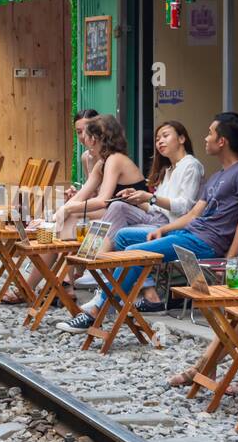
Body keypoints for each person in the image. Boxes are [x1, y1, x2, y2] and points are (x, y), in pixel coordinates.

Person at [60, 112, 238, 334]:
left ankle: (97, 308)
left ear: (222, 141)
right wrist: (164, 229)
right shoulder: (216, 177)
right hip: (189, 235)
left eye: (210, 133)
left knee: (135, 252)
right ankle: (109, 296)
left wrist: (229, 261)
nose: (205, 138)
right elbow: (193, 214)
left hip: (206, 243)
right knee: (126, 239)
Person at [5, 115, 144, 304]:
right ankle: (61, 280)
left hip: (136, 217)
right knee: (69, 216)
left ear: (95, 138)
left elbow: (103, 201)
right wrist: (55, 217)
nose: (84, 141)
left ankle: (56, 281)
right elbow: (82, 197)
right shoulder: (103, 163)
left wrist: (65, 212)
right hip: (116, 212)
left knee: (72, 215)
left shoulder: (115, 159)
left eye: (85, 135)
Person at [74, 119, 205, 304]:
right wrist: (137, 197)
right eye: (158, 138)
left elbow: (185, 206)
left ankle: (95, 266)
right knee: (118, 205)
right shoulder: (168, 169)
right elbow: (155, 206)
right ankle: (95, 265)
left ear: (182, 138)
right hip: (156, 217)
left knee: (118, 226)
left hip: (173, 227)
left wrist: (149, 197)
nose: (160, 141)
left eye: (165, 136)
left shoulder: (190, 165)